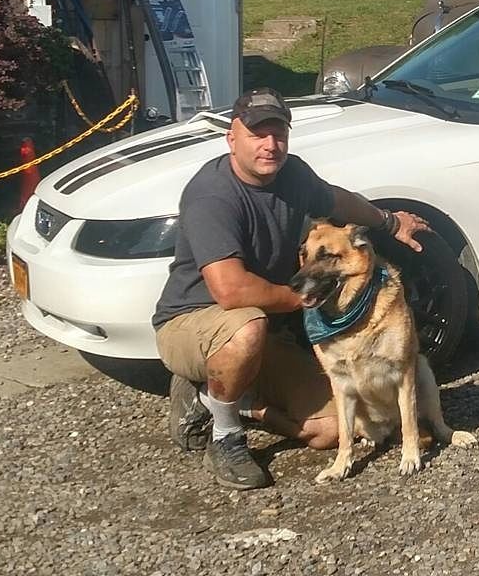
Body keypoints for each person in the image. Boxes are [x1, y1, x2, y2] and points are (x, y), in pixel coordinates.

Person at [152, 88, 429, 490]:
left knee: (333, 429)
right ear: (232, 138)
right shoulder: (213, 195)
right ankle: (225, 436)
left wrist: (389, 221)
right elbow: (230, 291)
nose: (270, 145)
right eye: (257, 134)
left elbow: (339, 201)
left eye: (279, 134)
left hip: (266, 326)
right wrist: (311, 299)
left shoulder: (292, 174)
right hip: (194, 320)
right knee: (247, 327)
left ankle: (221, 399)